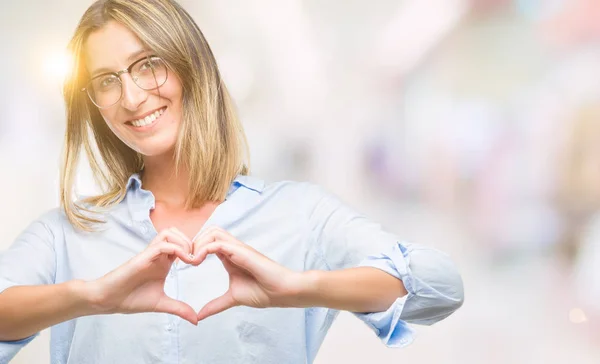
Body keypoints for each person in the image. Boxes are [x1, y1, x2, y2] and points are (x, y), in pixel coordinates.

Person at [0, 0, 464, 363]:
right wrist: (91, 296)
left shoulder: (300, 214)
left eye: (147, 64)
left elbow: (439, 287)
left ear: (191, 65)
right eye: (107, 80)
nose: (132, 97)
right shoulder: (66, 233)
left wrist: (298, 287)